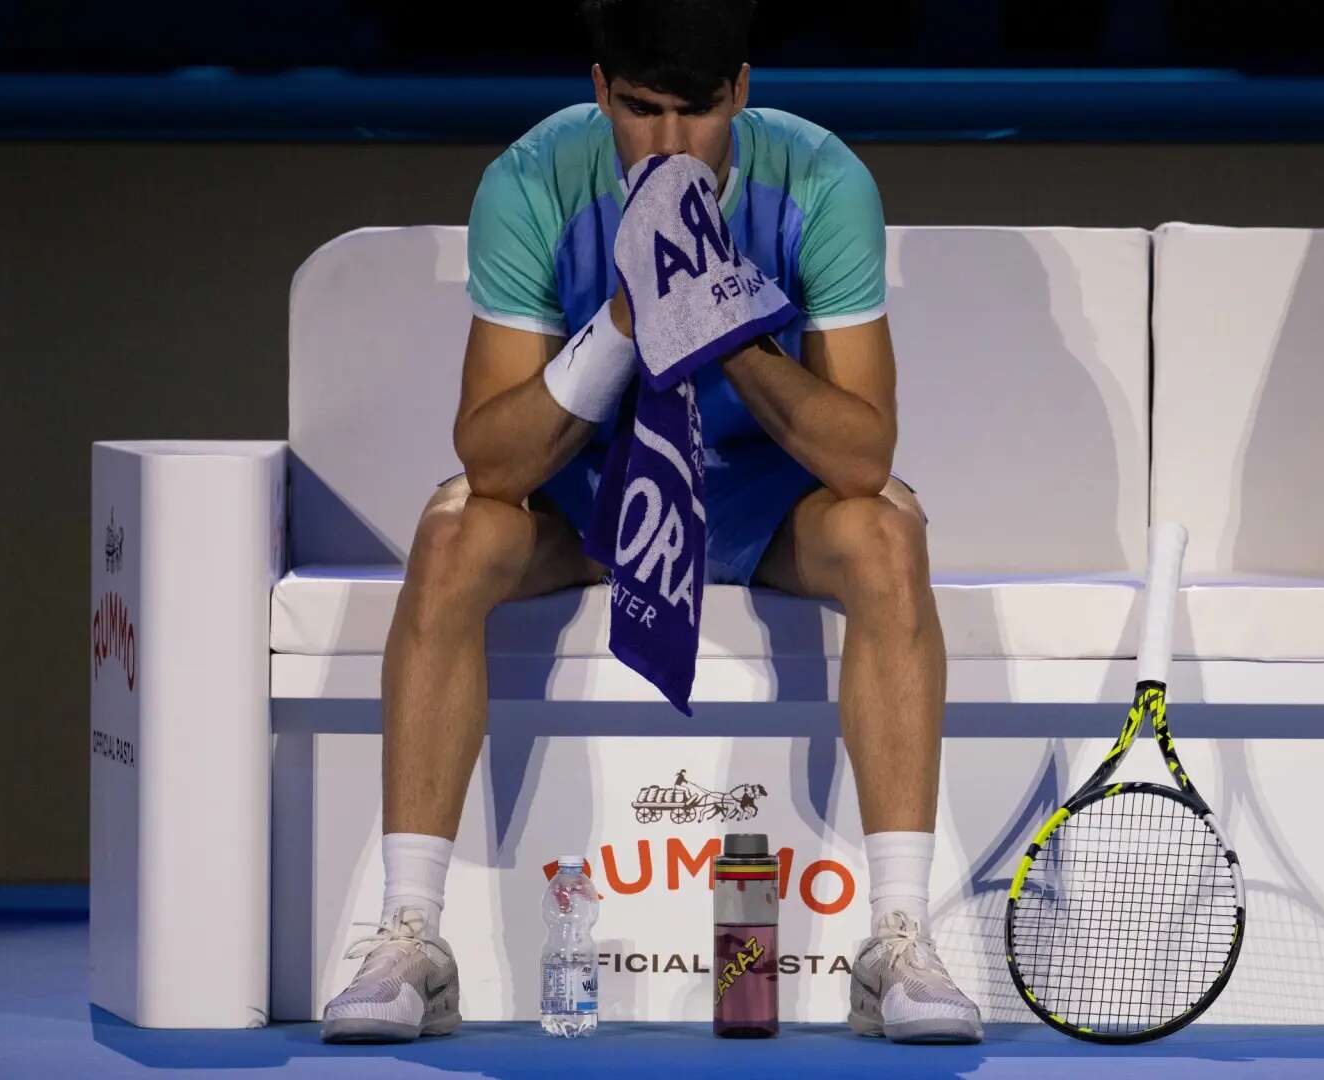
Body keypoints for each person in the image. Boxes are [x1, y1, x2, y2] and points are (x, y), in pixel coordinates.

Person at [320, 0, 980, 1045]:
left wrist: (722, 327)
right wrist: (627, 323)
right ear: (599, 92)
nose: (669, 144)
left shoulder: (822, 181)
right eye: (639, 110)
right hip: (588, 500)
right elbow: (491, 460)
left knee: (889, 534)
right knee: (453, 534)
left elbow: (863, 454)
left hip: (764, 504)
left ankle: (898, 939)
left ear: (743, 93)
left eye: (698, 111)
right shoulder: (532, 181)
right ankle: (410, 939)